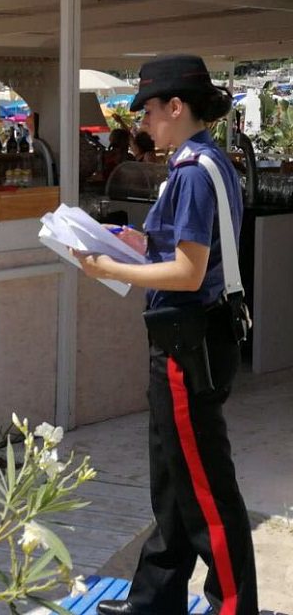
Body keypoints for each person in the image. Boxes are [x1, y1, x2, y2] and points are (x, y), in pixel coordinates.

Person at [74, 55, 258, 615]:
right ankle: (155, 598)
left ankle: (233, 606)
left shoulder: (191, 173)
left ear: (176, 108)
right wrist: (134, 243)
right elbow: (183, 251)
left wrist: (111, 270)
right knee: (175, 476)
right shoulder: (210, 162)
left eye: (149, 111)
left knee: (204, 487)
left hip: (187, 343)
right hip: (197, 338)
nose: (144, 123)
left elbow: (189, 271)